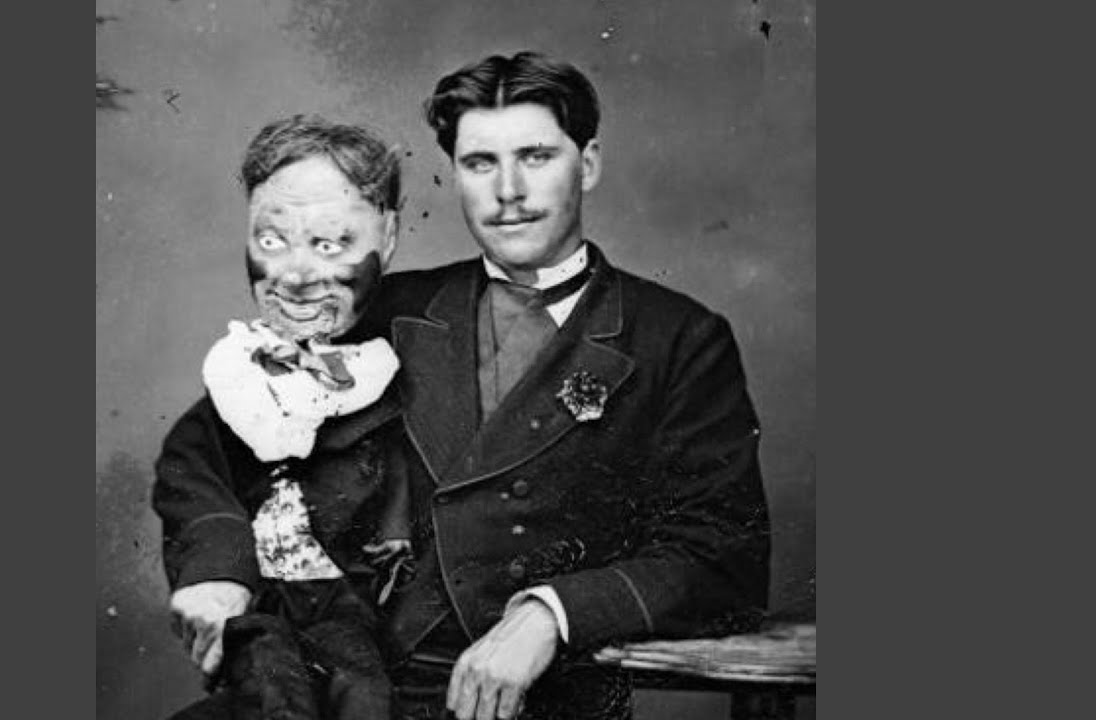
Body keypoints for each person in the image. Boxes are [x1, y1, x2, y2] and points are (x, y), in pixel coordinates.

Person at [349, 51, 773, 720]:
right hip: (366, 687)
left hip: (548, 699)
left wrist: (553, 612)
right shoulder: (386, 310)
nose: (508, 190)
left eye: (536, 157)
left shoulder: (677, 337)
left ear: (589, 163)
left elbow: (725, 558)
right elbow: (240, 466)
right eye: (479, 163)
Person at [153, 115, 415, 720]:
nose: (295, 278)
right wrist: (217, 572)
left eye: (330, 245)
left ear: (388, 237)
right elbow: (193, 479)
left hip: (368, 627)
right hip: (267, 614)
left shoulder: (404, 366)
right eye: (272, 242)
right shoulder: (239, 379)